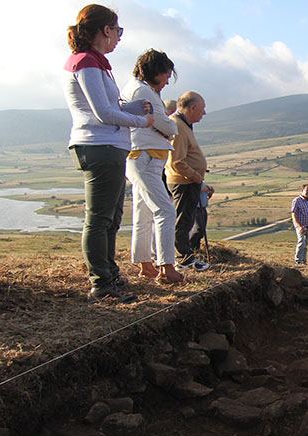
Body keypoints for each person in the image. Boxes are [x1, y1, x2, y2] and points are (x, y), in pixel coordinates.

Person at [64, 4, 154, 303]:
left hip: (110, 146)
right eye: (118, 30)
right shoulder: (86, 63)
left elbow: (109, 107)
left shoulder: (97, 63)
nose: (118, 37)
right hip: (98, 145)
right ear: (105, 30)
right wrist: (142, 121)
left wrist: (131, 108)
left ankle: (109, 275)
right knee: (100, 218)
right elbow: (103, 113)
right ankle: (101, 283)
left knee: (111, 217)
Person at [121, 49, 183, 285]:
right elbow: (166, 126)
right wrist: (171, 127)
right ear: (155, 71)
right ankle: (167, 267)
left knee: (143, 213)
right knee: (165, 210)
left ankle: (145, 263)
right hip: (146, 157)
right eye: (166, 75)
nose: (167, 81)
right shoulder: (144, 91)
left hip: (141, 155)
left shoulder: (135, 88)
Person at [166, 91, 211, 272]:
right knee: (182, 221)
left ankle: (186, 256)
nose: (204, 113)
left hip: (189, 182)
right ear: (192, 107)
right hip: (183, 182)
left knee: (187, 220)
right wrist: (196, 176)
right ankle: (183, 259)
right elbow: (176, 161)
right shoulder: (177, 126)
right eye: (202, 108)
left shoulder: (184, 125)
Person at [291, 184, 308, 265]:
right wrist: (299, 226)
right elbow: (294, 214)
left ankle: (303, 260)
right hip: (301, 225)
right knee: (301, 242)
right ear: (302, 190)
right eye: (306, 190)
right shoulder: (296, 200)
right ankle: (298, 260)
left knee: (306, 244)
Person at [189, 182, 213, 252]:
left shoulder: (203, 183)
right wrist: (199, 189)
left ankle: (196, 247)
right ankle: (190, 246)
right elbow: (190, 192)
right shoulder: (193, 182)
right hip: (196, 208)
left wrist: (210, 192)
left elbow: (206, 197)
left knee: (202, 230)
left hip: (203, 207)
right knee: (198, 228)